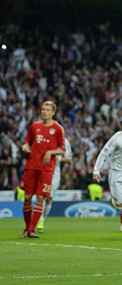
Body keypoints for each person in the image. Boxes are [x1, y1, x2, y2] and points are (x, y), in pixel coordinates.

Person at [19, 101, 65, 238]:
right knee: (27, 197)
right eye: (43, 109)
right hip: (31, 166)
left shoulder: (58, 129)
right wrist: (25, 147)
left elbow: (62, 150)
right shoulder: (35, 126)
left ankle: (32, 230)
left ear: (53, 112)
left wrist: (50, 153)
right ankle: (27, 228)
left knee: (40, 198)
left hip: (46, 169)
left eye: (47, 110)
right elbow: (27, 143)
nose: (44, 112)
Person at [36, 137, 72, 233]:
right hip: (42, 169)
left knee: (49, 198)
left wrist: (57, 158)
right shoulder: (43, 137)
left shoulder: (64, 141)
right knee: (41, 196)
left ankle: (43, 217)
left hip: (55, 172)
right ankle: (40, 221)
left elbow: (69, 159)